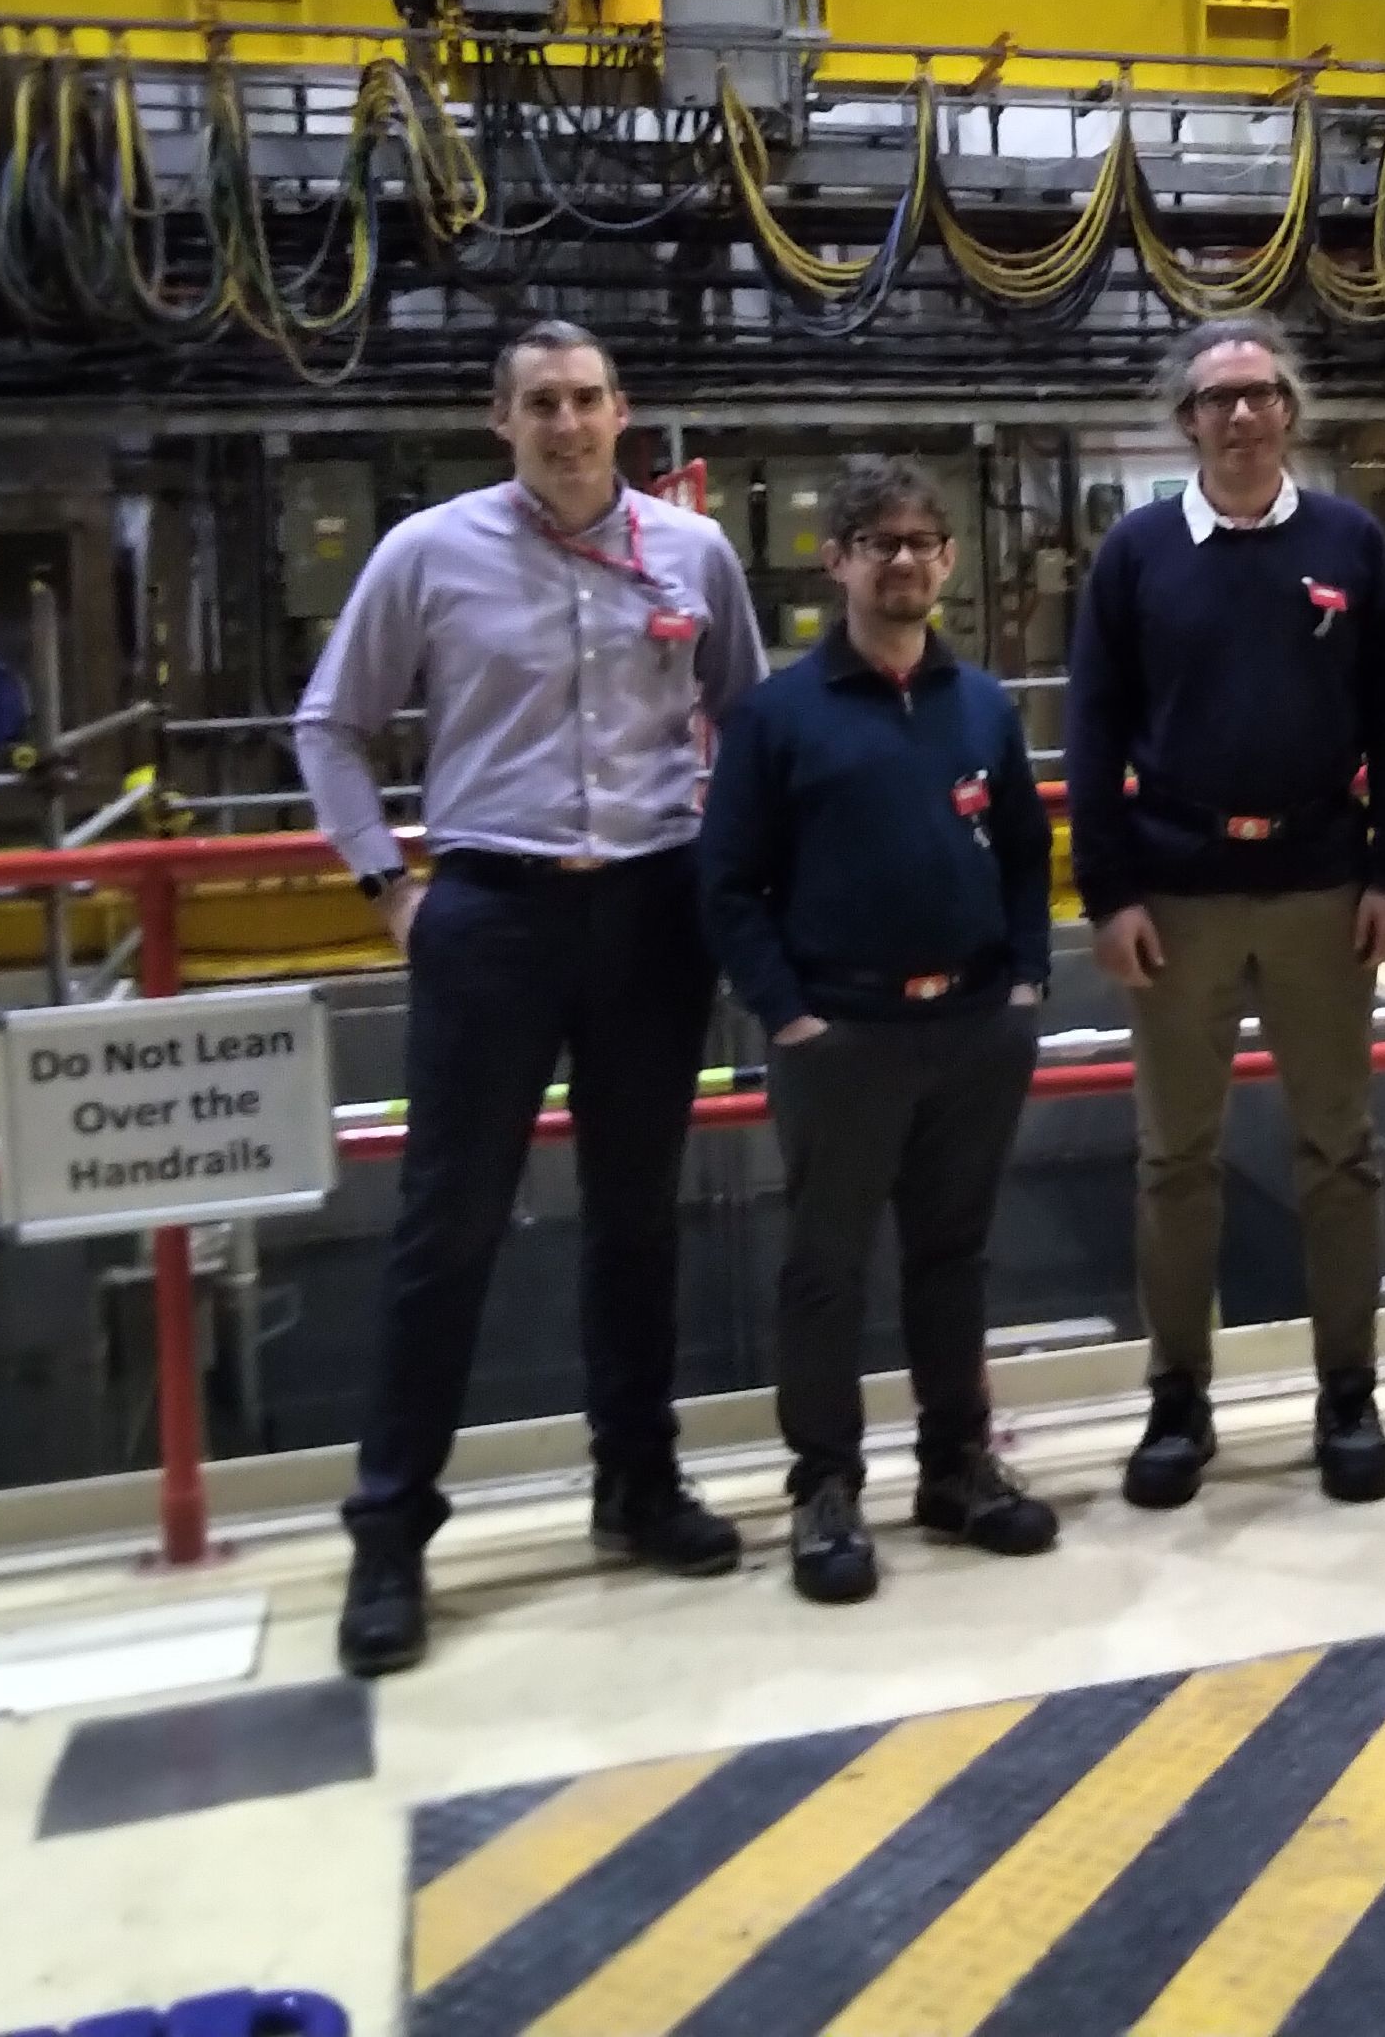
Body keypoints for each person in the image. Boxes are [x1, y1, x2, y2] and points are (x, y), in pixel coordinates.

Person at [297, 318, 768, 1677]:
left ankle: (637, 1483)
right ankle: (390, 1536)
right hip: (490, 913)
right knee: (446, 1227)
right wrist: (391, 884)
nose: (566, 424)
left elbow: (744, 715)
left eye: (587, 400)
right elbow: (332, 725)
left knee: (637, 1216)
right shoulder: (428, 553)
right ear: (498, 421)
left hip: (649, 909)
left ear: (623, 412)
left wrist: (724, 870)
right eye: (539, 404)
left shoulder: (695, 553)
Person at [1063, 314, 1385, 1508]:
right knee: (1176, 1159)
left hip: (1325, 890)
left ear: (1288, 410)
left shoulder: (1349, 543)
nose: (1238, 415)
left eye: (1259, 394)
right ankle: (1178, 1403)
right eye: (1215, 399)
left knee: (1341, 1154)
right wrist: (1109, 891)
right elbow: (1094, 730)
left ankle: (1348, 1396)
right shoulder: (1135, 556)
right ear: (1186, 421)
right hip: (1179, 895)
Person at [697, 457, 1060, 1606]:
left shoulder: (983, 706)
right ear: (837, 559)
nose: (902, 560)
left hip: (971, 1026)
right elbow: (729, 883)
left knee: (953, 1257)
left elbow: (1023, 852)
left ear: (947, 559)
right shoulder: (778, 716)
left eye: (921, 541)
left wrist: (1025, 987)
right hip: (839, 1032)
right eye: (877, 541)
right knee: (826, 1268)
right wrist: (788, 1014)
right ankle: (825, 1488)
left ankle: (956, 1467)